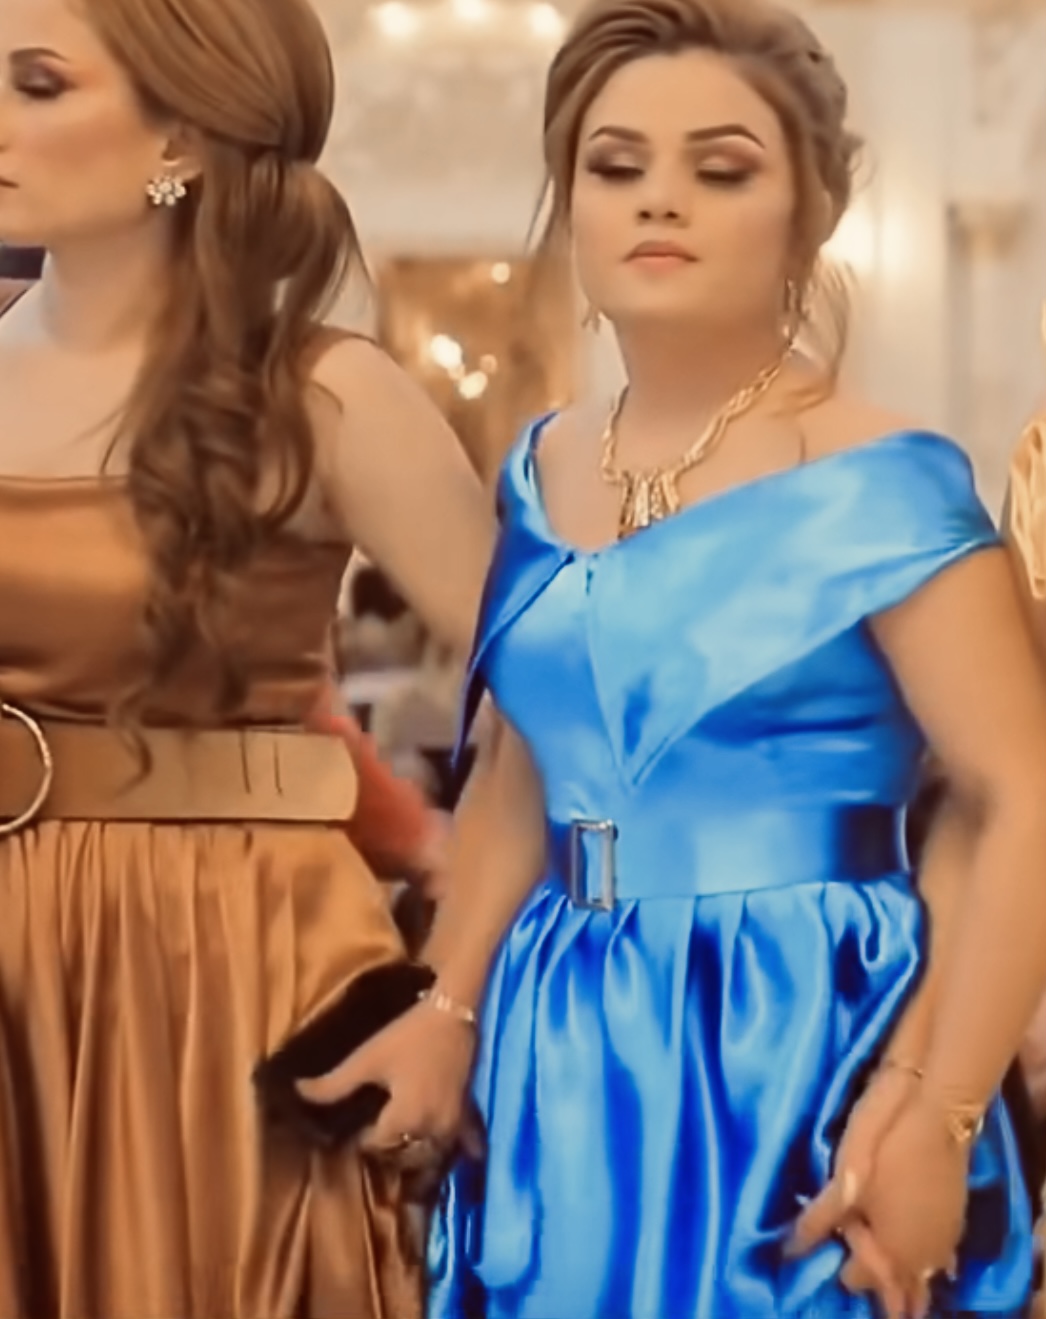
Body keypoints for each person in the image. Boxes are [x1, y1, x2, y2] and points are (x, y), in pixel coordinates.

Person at [309, 1, 1046, 1316]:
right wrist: (451, 1005)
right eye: (615, 166)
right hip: (561, 1025)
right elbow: (524, 768)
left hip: (803, 1022)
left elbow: (1022, 794)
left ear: (806, 213)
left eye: (721, 169)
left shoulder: (885, 480)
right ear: (572, 206)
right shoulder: (541, 464)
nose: (660, 200)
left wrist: (938, 1111)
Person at [0, 0, 496, 1314]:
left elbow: (558, 711)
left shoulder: (326, 396)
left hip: (222, 960)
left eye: (36, 84)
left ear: (181, 136)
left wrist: (455, 998)